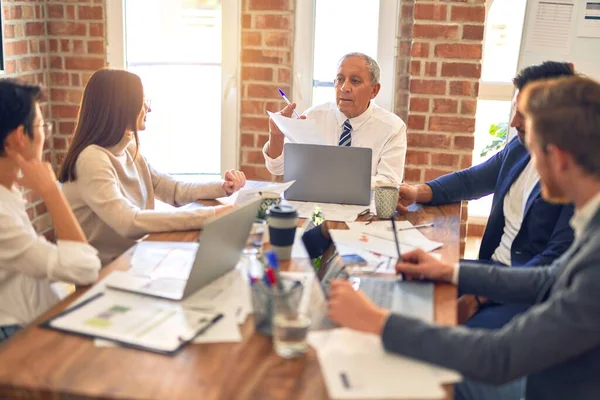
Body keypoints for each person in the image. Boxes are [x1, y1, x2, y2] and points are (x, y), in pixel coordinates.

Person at [328, 76, 600, 400]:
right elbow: (547, 279)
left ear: (558, 158)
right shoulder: (592, 220)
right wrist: (448, 271)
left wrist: (378, 322)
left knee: (410, 380)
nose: (530, 162)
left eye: (533, 147)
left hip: (546, 388)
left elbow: (498, 357)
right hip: (548, 373)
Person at [397, 61, 576, 330]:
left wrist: (479, 296)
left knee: (455, 338)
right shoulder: (520, 146)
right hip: (492, 269)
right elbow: (473, 179)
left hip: (529, 293)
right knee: (406, 285)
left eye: (523, 115)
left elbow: (552, 262)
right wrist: (417, 192)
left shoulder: (578, 175)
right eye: (515, 110)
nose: (514, 122)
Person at [59, 69, 246, 265]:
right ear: (122, 107)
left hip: (137, 259)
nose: (148, 109)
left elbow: (174, 190)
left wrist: (223, 187)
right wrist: (210, 215)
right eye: (142, 102)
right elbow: (128, 222)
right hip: (107, 273)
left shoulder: (129, 150)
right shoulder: (92, 160)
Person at [0, 79, 101, 343]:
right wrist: (52, 192)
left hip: (32, 318)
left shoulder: (8, 191)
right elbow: (85, 268)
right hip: (14, 336)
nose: (46, 133)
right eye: (42, 125)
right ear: (18, 138)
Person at [263, 52, 407, 184]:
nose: (344, 88)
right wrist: (276, 135)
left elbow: (390, 182)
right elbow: (277, 168)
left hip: (365, 209)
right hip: (314, 206)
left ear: (374, 90)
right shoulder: (313, 116)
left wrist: (337, 178)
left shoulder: (392, 128)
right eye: (340, 79)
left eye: (355, 81)